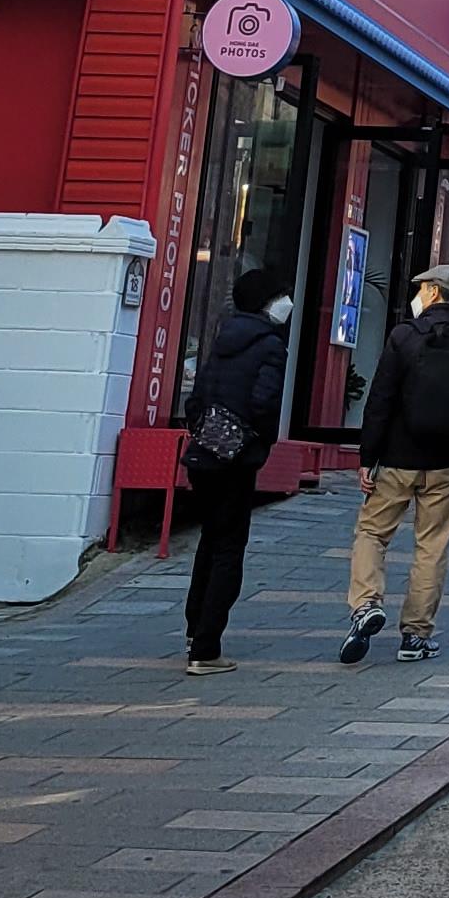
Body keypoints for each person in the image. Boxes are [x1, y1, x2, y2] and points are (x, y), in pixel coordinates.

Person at [342, 266, 449, 665]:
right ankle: (415, 635)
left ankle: (366, 604)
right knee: (432, 545)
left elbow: (380, 400)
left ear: (434, 292)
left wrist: (367, 458)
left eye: (423, 288)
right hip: (448, 463)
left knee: (372, 532)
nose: (420, 294)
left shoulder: (405, 336)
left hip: (397, 458)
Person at [180, 265, 289, 672]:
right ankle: (206, 649)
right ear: (267, 302)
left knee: (210, 541)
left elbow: (197, 400)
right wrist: (256, 442)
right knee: (229, 548)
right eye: (281, 296)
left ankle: (194, 630)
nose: (287, 303)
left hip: (203, 456)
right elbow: (264, 403)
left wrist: (209, 433)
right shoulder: (271, 346)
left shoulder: (223, 338)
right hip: (237, 461)